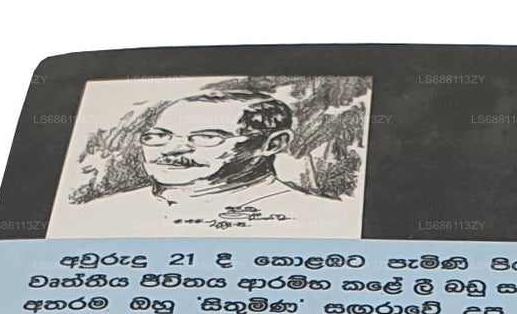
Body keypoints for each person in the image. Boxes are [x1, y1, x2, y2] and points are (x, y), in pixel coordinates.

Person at [61, 85, 358, 234]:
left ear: (274, 144)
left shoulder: (320, 219)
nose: (172, 151)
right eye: (159, 136)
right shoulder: (99, 214)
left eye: (205, 137)